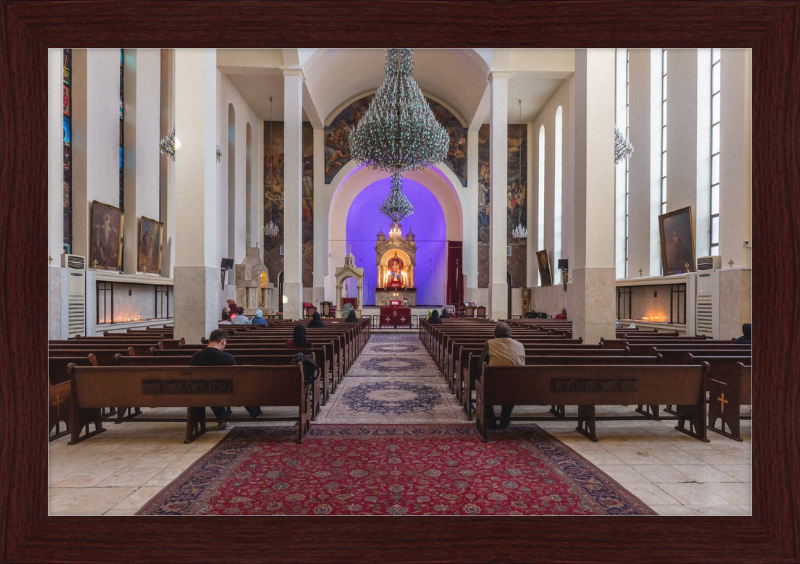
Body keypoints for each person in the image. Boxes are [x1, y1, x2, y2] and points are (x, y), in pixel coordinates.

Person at [188, 329, 261, 428]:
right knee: (241, 386)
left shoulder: (195, 357)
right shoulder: (226, 357)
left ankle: (223, 417)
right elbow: (236, 377)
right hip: (226, 390)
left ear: (209, 340)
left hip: (201, 390)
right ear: (223, 341)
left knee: (211, 389)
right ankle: (255, 412)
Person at [480, 322, 526, 429]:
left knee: (485, 385)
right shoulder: (520, 345)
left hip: (494, 386)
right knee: (511, 382)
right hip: (517, 386)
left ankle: (491, 420)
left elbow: (481, 366)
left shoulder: (489, 344)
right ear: (510, 333)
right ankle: (504, 419)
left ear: (494, 334)